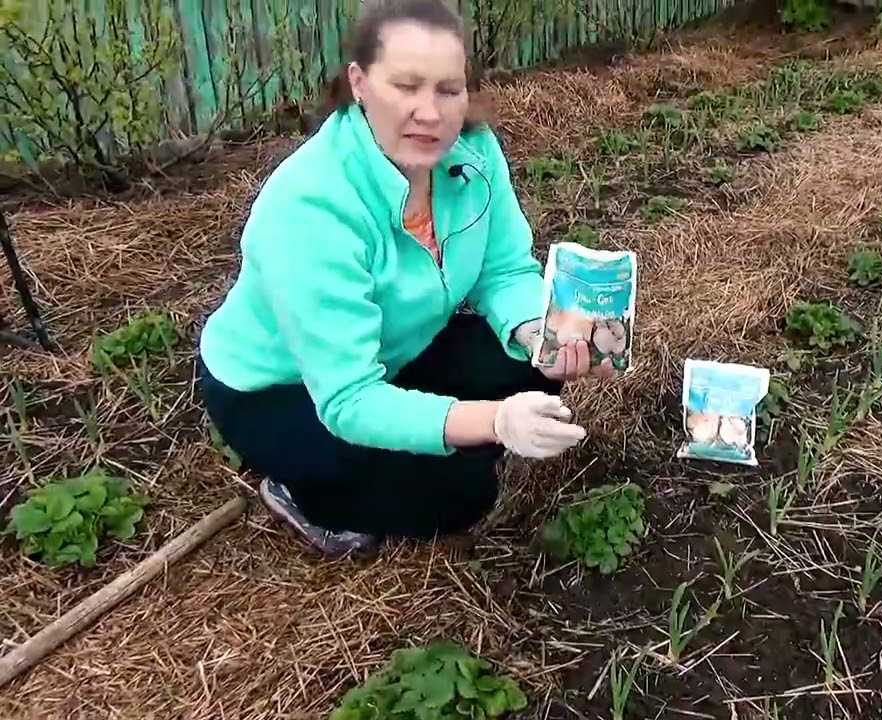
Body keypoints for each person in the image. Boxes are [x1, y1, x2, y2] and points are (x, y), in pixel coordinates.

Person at [196, 0, 610, 557]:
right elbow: (347, 398)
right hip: (285, 391)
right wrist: (493, 420)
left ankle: (428, 437)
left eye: (447, 89)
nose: (430, 113)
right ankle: (298, 490)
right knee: (459, 497)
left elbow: (505, 270)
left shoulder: (474, 153)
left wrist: (539, 332)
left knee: (530, 368)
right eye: (406, 86)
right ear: (360, 83)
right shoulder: (311, 207)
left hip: (394, 348)